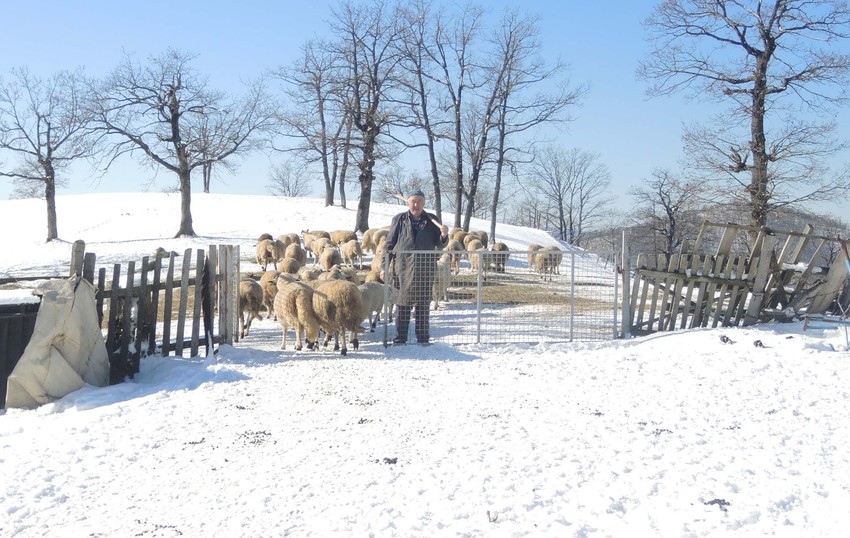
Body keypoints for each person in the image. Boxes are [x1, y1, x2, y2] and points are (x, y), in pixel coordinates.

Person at [383, 189, 449, 344]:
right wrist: (384, 268)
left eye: (419, 201)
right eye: (413, 201)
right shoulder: (399, 220)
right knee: (402, 305)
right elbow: (389, 245)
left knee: (423, 305)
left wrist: (444, 235)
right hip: (403, 269)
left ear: (424, 203)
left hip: (424, 270)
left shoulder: (432, 220)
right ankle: (400, 338)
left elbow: (440, 243)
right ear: (408, 202)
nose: (416, 204)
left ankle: (423, 338)